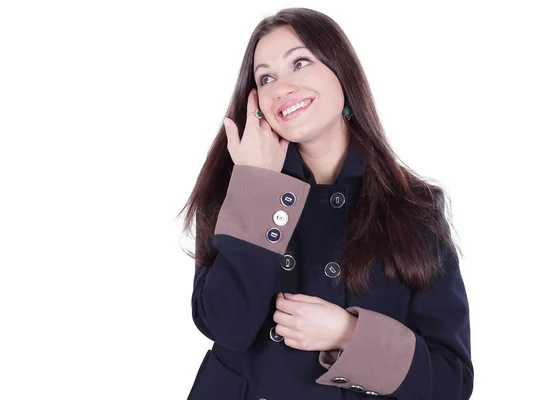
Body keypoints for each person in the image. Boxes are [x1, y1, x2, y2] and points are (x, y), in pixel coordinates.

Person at [178, 7, 474, 400]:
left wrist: (349, 335)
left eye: (299, 62)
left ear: (342, 73)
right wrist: (259, 188)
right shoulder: (232, 192)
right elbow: (226, 326)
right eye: (266, 77)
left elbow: (449, 382)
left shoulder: (412, 208)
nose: (281, 87)